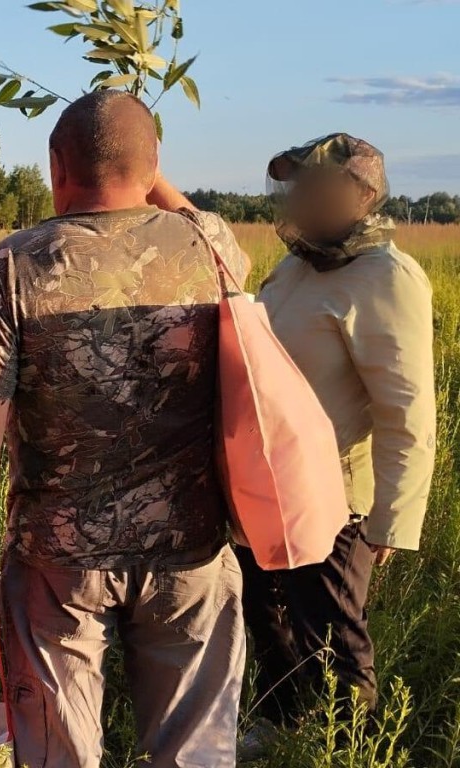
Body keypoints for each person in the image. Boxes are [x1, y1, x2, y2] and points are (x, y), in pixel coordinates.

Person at [0, 90, 251, 768]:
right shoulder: (210, 244)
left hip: (59, 560)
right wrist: (146, 167)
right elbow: (183, 208)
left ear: (56, 165)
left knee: (60, 750)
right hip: (191, 548)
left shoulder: (16, 264)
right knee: (195, 750)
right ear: (155, 165)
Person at [237, 134, 436, 733]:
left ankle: (342, 746)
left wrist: (391, 522)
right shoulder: (298, 264)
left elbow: (408, 411)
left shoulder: (386, 277)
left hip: (331, 503)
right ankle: (280, 730)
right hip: (263, 488)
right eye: (296, 186)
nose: (300, 199)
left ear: (362, 194)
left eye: (316, 186)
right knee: (266, 616)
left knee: (331, 641)